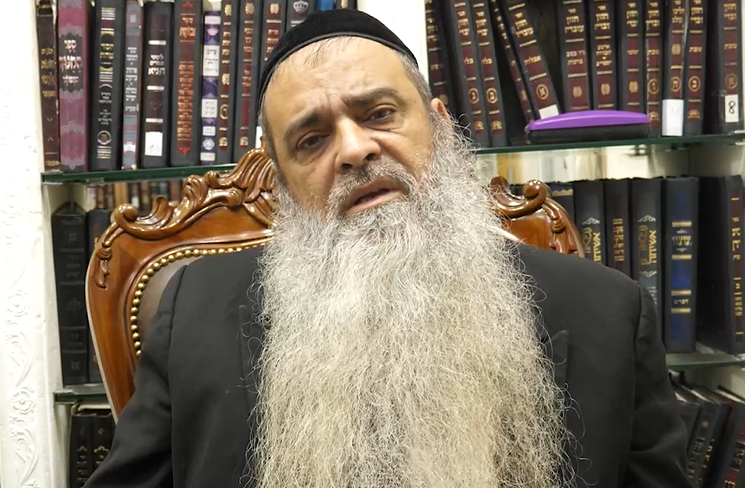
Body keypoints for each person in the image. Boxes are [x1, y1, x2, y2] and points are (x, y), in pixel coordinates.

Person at [84, 8, 691, 488]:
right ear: (281, 181)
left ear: (439, 126)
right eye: (311, 139)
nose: (354, 150)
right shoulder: (192, 313)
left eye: (378, 113)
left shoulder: (608, 313)